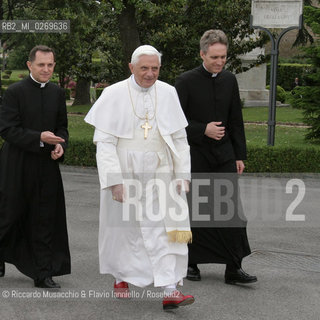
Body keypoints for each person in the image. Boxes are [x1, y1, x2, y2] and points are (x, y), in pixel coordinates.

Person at [85, 45, 194, 310]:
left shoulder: (168, 92)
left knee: (168, 230)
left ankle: (170, 289)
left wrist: (183, 175)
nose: (150, 74)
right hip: (126, 171)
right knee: (125, 231)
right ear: (131, 67)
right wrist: (114, 181)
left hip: (161, 171)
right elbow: (106, 143)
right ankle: (121, 276)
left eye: (155, 68)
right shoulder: (113, 94)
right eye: (144, 68)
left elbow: (180, 140)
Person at [175, 29, 257, 285]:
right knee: (196, 211)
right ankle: (191, 264)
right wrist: (202, 130)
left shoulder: (230, 80)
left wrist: (239, 155)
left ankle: (234, 267)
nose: (220, 62)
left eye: (223, 57)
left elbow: (235, 120)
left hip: (224, 155)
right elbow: (174, 123)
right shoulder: (185, 81)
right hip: (195, 154)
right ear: (202, 54)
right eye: (214, 57)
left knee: (230, 212)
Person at [0, 45, 70, 288]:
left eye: (50, 65)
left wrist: (61, 145)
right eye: (41, 65)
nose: (47, 69)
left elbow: (62, 128)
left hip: (46, 166)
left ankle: (43, 272)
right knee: (9, 215)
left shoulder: (57, 93)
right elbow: (7, 129)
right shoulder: (14, 92)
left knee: (45, 218)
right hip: (16, 165)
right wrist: (40, 137)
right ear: (30, 65)